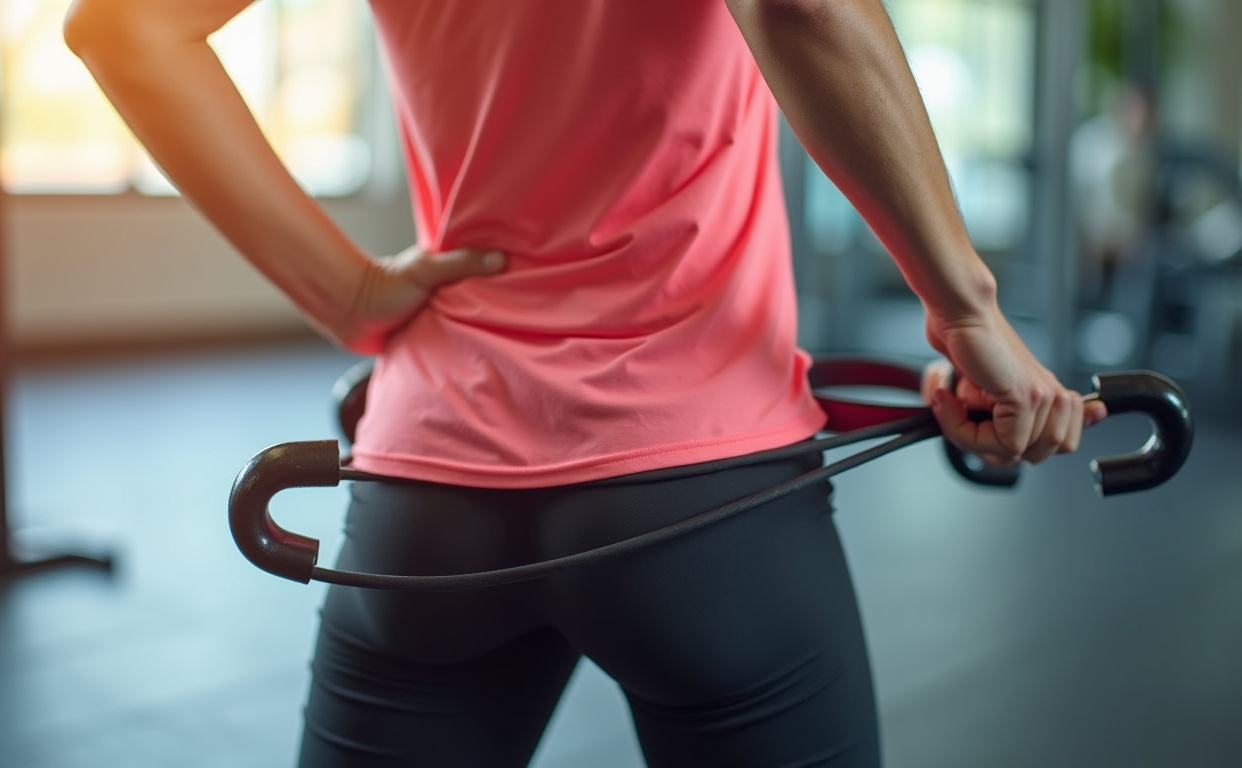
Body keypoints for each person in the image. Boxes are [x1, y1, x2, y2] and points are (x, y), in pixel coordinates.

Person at [66, 1, 1107, 765]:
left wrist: (349, 294)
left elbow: (124, 29)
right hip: (704, 496)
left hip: (430, 488)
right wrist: (966, 308)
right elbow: (806, 9)